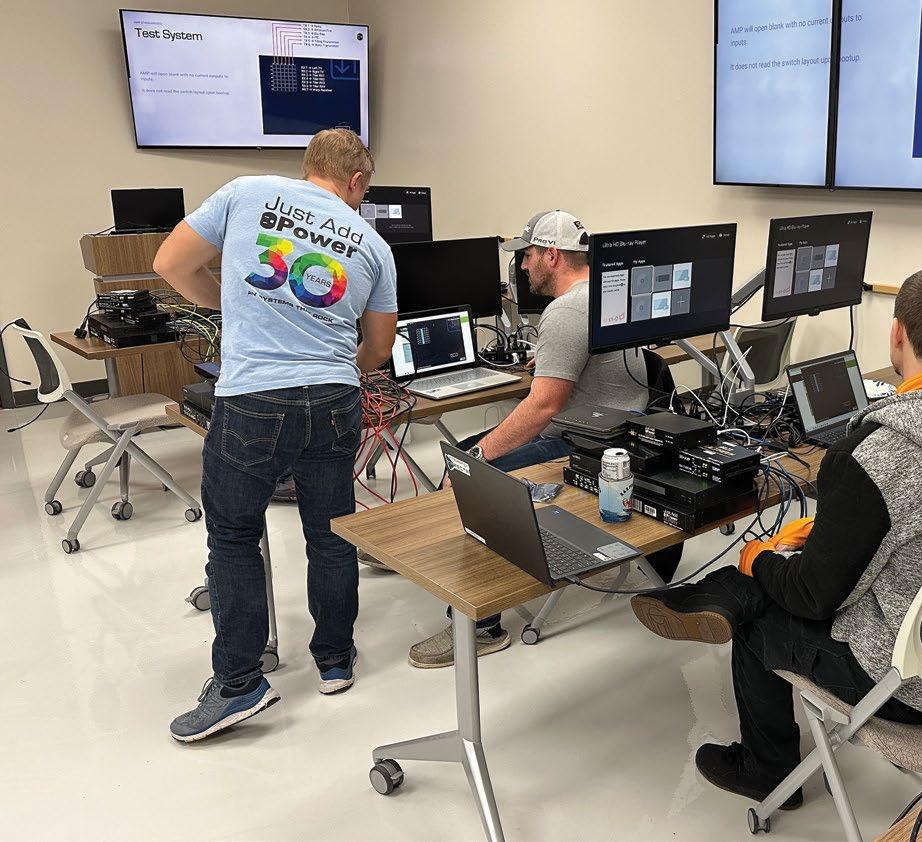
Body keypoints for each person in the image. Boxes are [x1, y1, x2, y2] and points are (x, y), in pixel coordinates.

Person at [628, 267, 922, 808]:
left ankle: (765, 770)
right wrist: (833, 530)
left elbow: (812, 597)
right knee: (783, 567)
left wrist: (758, 556)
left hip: (919, 688)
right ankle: (719, 592)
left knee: (762, 603)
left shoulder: (876, 455)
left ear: (897, 333)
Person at [154, 128, 397, 742]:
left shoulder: (245, 191)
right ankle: (334, 661)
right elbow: (379, 346)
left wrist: (230, 309)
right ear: (357, 182)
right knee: (332, 534)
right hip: (335, 398)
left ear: (308, 166)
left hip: (254, 399)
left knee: (234, 538)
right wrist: (338, 366)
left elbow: (169, 263)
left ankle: (239, 684)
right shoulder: (373, 244)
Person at [407, 209, 664, 669]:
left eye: (526, 256)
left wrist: (479, 456)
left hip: (581, 445)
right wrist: (549, 363)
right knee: (462, 451)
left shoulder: (565, 311)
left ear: (551, 255)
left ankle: (480, 627)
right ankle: (418, 538)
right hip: (617, 432)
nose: (522, 267)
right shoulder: (608, 294)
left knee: (468, 473)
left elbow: (544, 406)